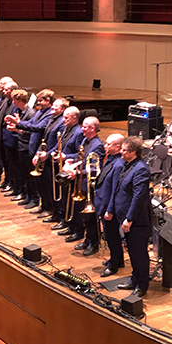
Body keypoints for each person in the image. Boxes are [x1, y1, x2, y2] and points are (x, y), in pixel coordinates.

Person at [106, 136, 152, 297]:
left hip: (137, 222)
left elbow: (138, 197)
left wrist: (129, 219)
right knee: (132, 252)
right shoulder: (127, 165)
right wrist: (111, 209)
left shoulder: (141, 169)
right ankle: (134, 278)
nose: (121, 152)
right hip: (124, 217)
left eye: (125, 150)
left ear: (133, 152)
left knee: (139, 253)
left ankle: (142, 285)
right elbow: (117, 189)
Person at [6, 89, 54, 210]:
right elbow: (31, 123)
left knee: (39, 181)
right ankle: (31, 197)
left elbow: (37, 127)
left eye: (41, 100)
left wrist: (19, 123)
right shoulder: (40, 112)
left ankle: (38, 201)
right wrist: (17, 124)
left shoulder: (48, 114)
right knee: (29, 176)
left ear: (48, 101)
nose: (38, 103)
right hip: (31, 147)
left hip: (35, 148)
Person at [67, 116, 105, 252]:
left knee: (90, 217)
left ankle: (94, 244)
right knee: (83, 215)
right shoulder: (85, 140)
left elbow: (95, 168)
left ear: (92, 128)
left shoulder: (98, 146)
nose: (82, 129)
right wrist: (71, 161)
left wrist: (77, 173)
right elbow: (80, 158)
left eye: (84, 126)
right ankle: (87, 239)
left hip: (88, 185)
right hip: (80, 183)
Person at [94, 133, 125, 276]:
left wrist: (110, 210)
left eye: (108, 144)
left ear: (118, 147)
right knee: (112, 236)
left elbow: (115, 189)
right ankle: (118, 260)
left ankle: (114, 265)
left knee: (112, 236)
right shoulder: (111, 159)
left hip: (109, 207)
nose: (105, 146)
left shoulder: (119, 164)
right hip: (104, 203)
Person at [51, 107, 84, 231]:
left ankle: (74, 226)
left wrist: (66, 156)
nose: (63, 120)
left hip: (70, 169)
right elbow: (59, 146)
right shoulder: (66, 129)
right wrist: (54, 153)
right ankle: (65, 221)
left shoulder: (78, 132)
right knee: (64, 198)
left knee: (70, 200)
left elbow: (80, 154)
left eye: (66, 117)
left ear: (74, 118)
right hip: (62, 168)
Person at [3, 89, 34, 202]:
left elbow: (29, 131)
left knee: (26, 173)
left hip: (26, 146)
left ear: (19, 100)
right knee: (20, 171)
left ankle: (28, 195)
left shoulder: (30, 113)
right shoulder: (19, 110)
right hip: (20, 144)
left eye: (14, 100)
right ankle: (22, 192)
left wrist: (15, 129)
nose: (13, 103)